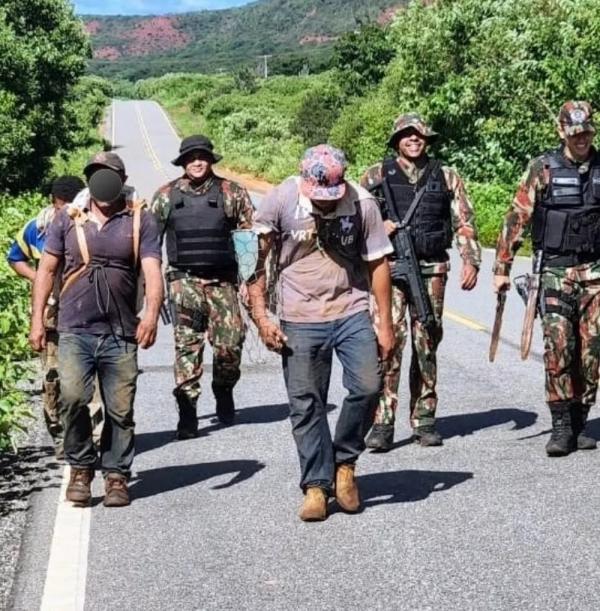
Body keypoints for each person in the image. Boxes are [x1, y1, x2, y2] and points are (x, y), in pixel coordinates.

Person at [247, 144, 394, 521]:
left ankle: (344, 463)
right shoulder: (280, 199)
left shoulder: (362, 203)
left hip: (351, 308)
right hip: (299, 315)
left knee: (368, 386)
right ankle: (316, 485)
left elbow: (377, 263)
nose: (325, 205)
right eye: (319, 199)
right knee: (306, 402)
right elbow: (254, 262)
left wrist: (386, 323)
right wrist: (263, 318)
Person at [29, 152, 163, 507]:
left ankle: (117, 475)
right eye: (96, 174)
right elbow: (45, 270)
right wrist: (37, 320)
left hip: (120, 331)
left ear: (121, 178)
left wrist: (150, 316)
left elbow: (152, 271)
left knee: (121, 408)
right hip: (74, 328)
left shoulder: (140, 219)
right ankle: (81, 468)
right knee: (72, 398)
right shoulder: (67, 220)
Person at [361, 113, 481, 451]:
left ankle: (424, 418)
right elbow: (354, 217)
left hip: (431, 268)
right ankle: (382, 421)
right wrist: (377, 227)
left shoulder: (446, 176)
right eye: (407, 135)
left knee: (426, 341)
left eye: (419, 135)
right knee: (388, 343)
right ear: (397, 140)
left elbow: (464, 220)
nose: (414, 140)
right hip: (388, 269)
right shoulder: (375, 174)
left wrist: (470, 259)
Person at [494, 101, 600, 457]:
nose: (581, 139)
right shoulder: (542, 169)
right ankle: (561, 424)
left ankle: (581, 417)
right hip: (554, 270)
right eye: (575, 133)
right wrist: (501, 269)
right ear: (561, 132)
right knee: (558, 347)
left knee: (591, 351)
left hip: (596, 272)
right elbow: (516, 218)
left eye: (586, 132)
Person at [150, 135, 253, 439]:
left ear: (210, 160)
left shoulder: (231, 192)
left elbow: (248, 240)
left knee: (230, 346)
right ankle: (188, 411)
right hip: (185, 282)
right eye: (191, 157)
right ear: (183, 162)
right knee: (187, 346)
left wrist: (248, 281)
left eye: (203, 156)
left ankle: (223, 389)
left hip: (224, 281)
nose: (197, 162)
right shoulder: (166, 196)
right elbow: (149, 246)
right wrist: (149, 286)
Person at [7, 176, 85, 458]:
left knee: (90, 377)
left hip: (86, 312)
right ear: (53, 202)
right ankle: (61, 436)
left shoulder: (89, 224)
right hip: (53, 313)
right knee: (53, 377)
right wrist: (37, 277)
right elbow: (15, 258)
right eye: (61, 204)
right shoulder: (36, 228)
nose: (66, 210)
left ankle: (95, 436)